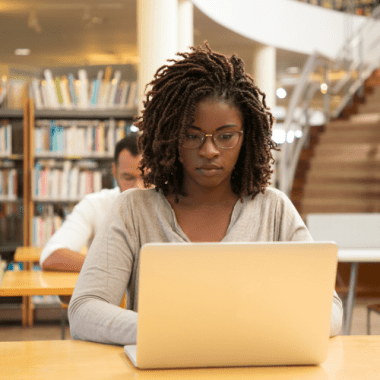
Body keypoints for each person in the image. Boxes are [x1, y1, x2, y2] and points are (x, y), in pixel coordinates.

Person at [69, 44, 343, 345]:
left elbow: (329, 309)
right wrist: (178, 332)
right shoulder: (133, 210)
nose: (209, 150)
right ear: (170, 135)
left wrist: (257, 328)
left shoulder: (274, 209)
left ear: (246, 137)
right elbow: (84, 311)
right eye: (191, 135)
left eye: (226, 136)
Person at [40, 133, 143, 272]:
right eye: (128, 177)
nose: (137, 187)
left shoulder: (171, 204)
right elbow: (50, 256)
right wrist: (117, 269)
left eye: (146, 178)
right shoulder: (95, 204)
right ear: (114, 170)